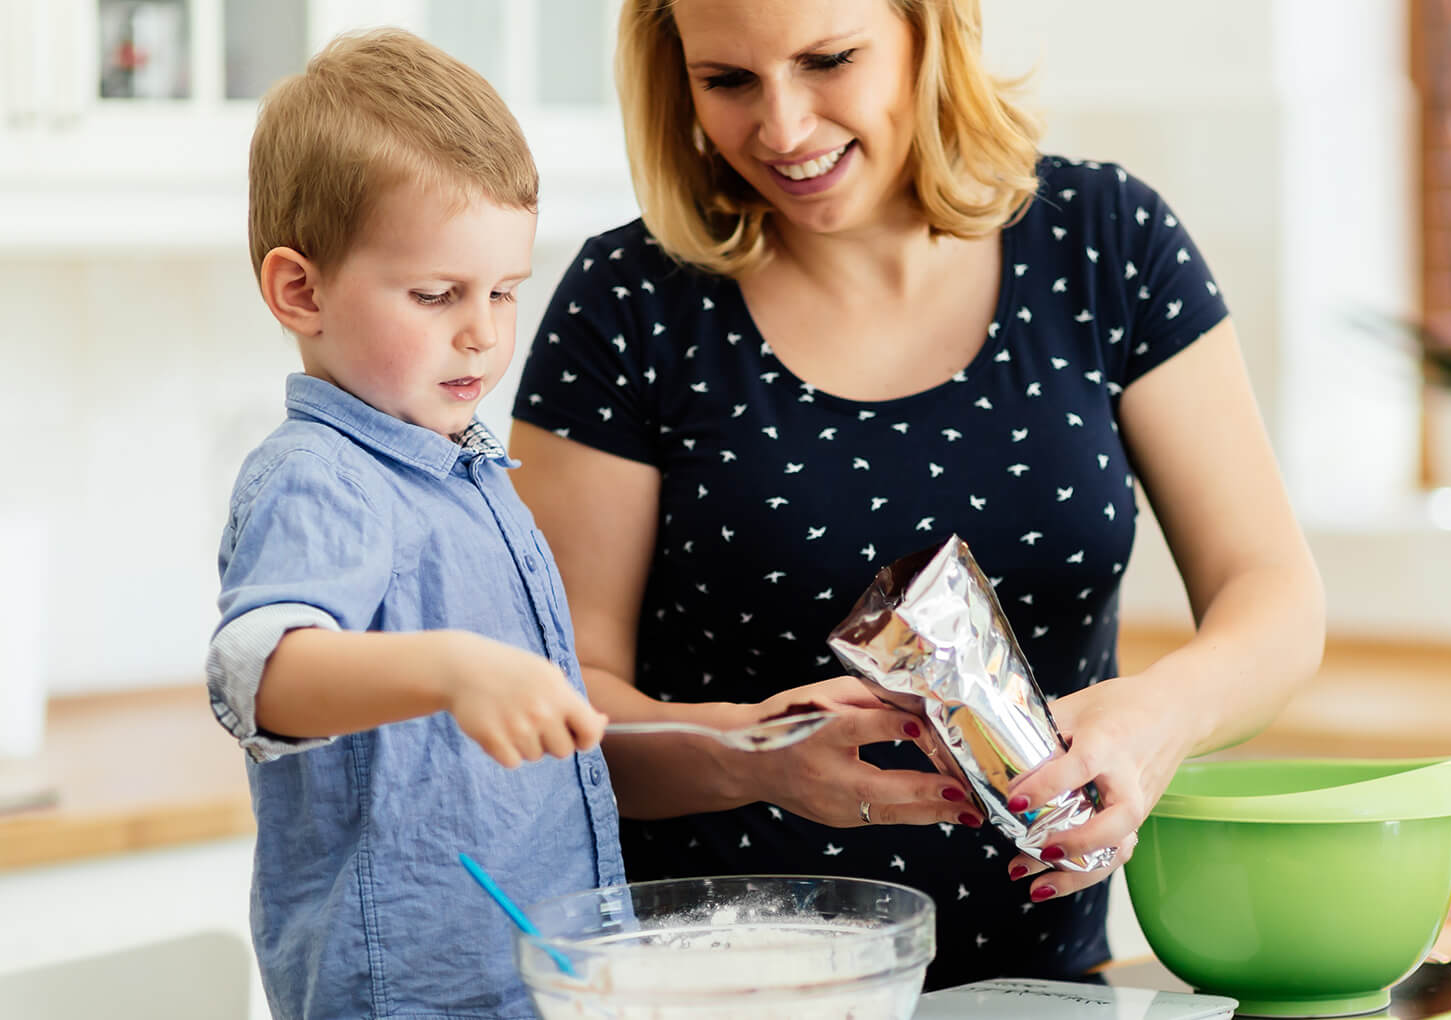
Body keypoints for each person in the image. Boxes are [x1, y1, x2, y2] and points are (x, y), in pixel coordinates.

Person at [509, 0, 1325, 991]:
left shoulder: (1104, 242)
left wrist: (1161, 717)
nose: (785, 129)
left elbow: (1274, 598)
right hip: (716, 989)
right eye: (727, 80)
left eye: (829, 60)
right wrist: (752, 758)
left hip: (1052, 989)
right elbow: (558, 712)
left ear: (929, 28)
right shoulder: (628, 302)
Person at [204, 29, 624, 1018]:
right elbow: (260, 674)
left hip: (524, 980)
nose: (481, 330)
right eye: (436, 295)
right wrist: (453, 667)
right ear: (298, 291)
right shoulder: (323, 477)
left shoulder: (462, 469)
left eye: (503, 292)